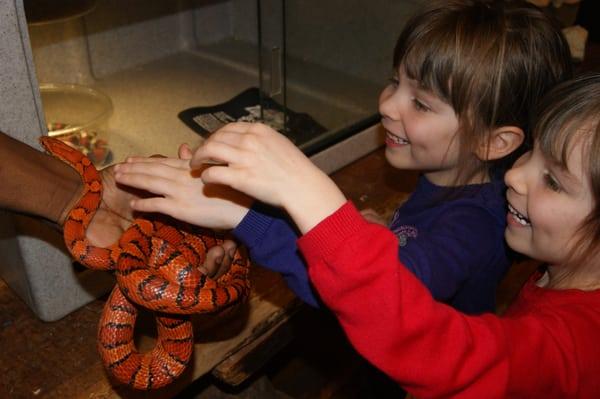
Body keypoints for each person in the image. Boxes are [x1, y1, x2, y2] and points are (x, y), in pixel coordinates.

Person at [120, 71, 600, 396]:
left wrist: (290, 196)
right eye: (532, 158)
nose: (514, 178)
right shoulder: (559, 269)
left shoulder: (579, 345)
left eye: (553, 180)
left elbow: (415, 329)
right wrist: (254, 210)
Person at [113, 0, 573, 313]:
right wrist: (372, 235)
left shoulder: (476, 224)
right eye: (396, 82)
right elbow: (395, 257)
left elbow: (375, 300)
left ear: (495, 143)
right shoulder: (452, 179)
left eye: (421, 103)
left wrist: (247, 217)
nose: (387, 104)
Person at [0, 132, 233, 277]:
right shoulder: (88, 181)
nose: (45, 145)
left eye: (48, 146)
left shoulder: (91, 185)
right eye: (48, 147)